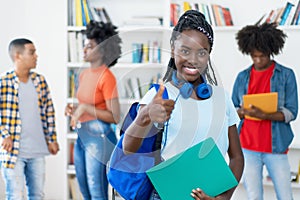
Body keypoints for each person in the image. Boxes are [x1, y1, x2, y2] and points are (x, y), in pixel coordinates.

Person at [122, 10, 244, 200]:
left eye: (201, 53)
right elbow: (128, 149)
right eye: (185, 51)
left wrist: (224, 198)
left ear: (209, 54)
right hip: (168, 195)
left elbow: (237, 157)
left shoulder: (223, 98)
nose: (193, 60)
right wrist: (145, 115)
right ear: (173, 49)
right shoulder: (158, 96)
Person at [232, 22, 298, 200]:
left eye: (263, 56)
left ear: (271, 51)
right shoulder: (242, 77)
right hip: (247, 148)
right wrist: (243, 112)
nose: (259, 60)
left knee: (285, 196)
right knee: (254, 197)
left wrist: (264, 115)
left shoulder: (286, 75)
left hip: (276, 148)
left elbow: (292, 112)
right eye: (254, 56)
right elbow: (232, 110)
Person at [65, 20, 122, 200]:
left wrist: (85, 108)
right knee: (84, 187)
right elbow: (87, 104)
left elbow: (114, 116)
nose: (84, 50)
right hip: (82, 134)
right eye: (84, 46)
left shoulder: (107, 77)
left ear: (102, 50)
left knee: (96, 189)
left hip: (99, 137)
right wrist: (75, 108)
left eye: (89, 46)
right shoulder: (83, 74)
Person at [0, 38, 60, 199]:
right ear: (18, 56)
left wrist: (52, 139)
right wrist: (4, 135)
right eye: (32, 52)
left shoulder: (40, 81)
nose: (36, 56)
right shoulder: (3, 82)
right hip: (13, 152)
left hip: (37, 150)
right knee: (15, 195)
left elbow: (48, 111)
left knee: (37, 195)